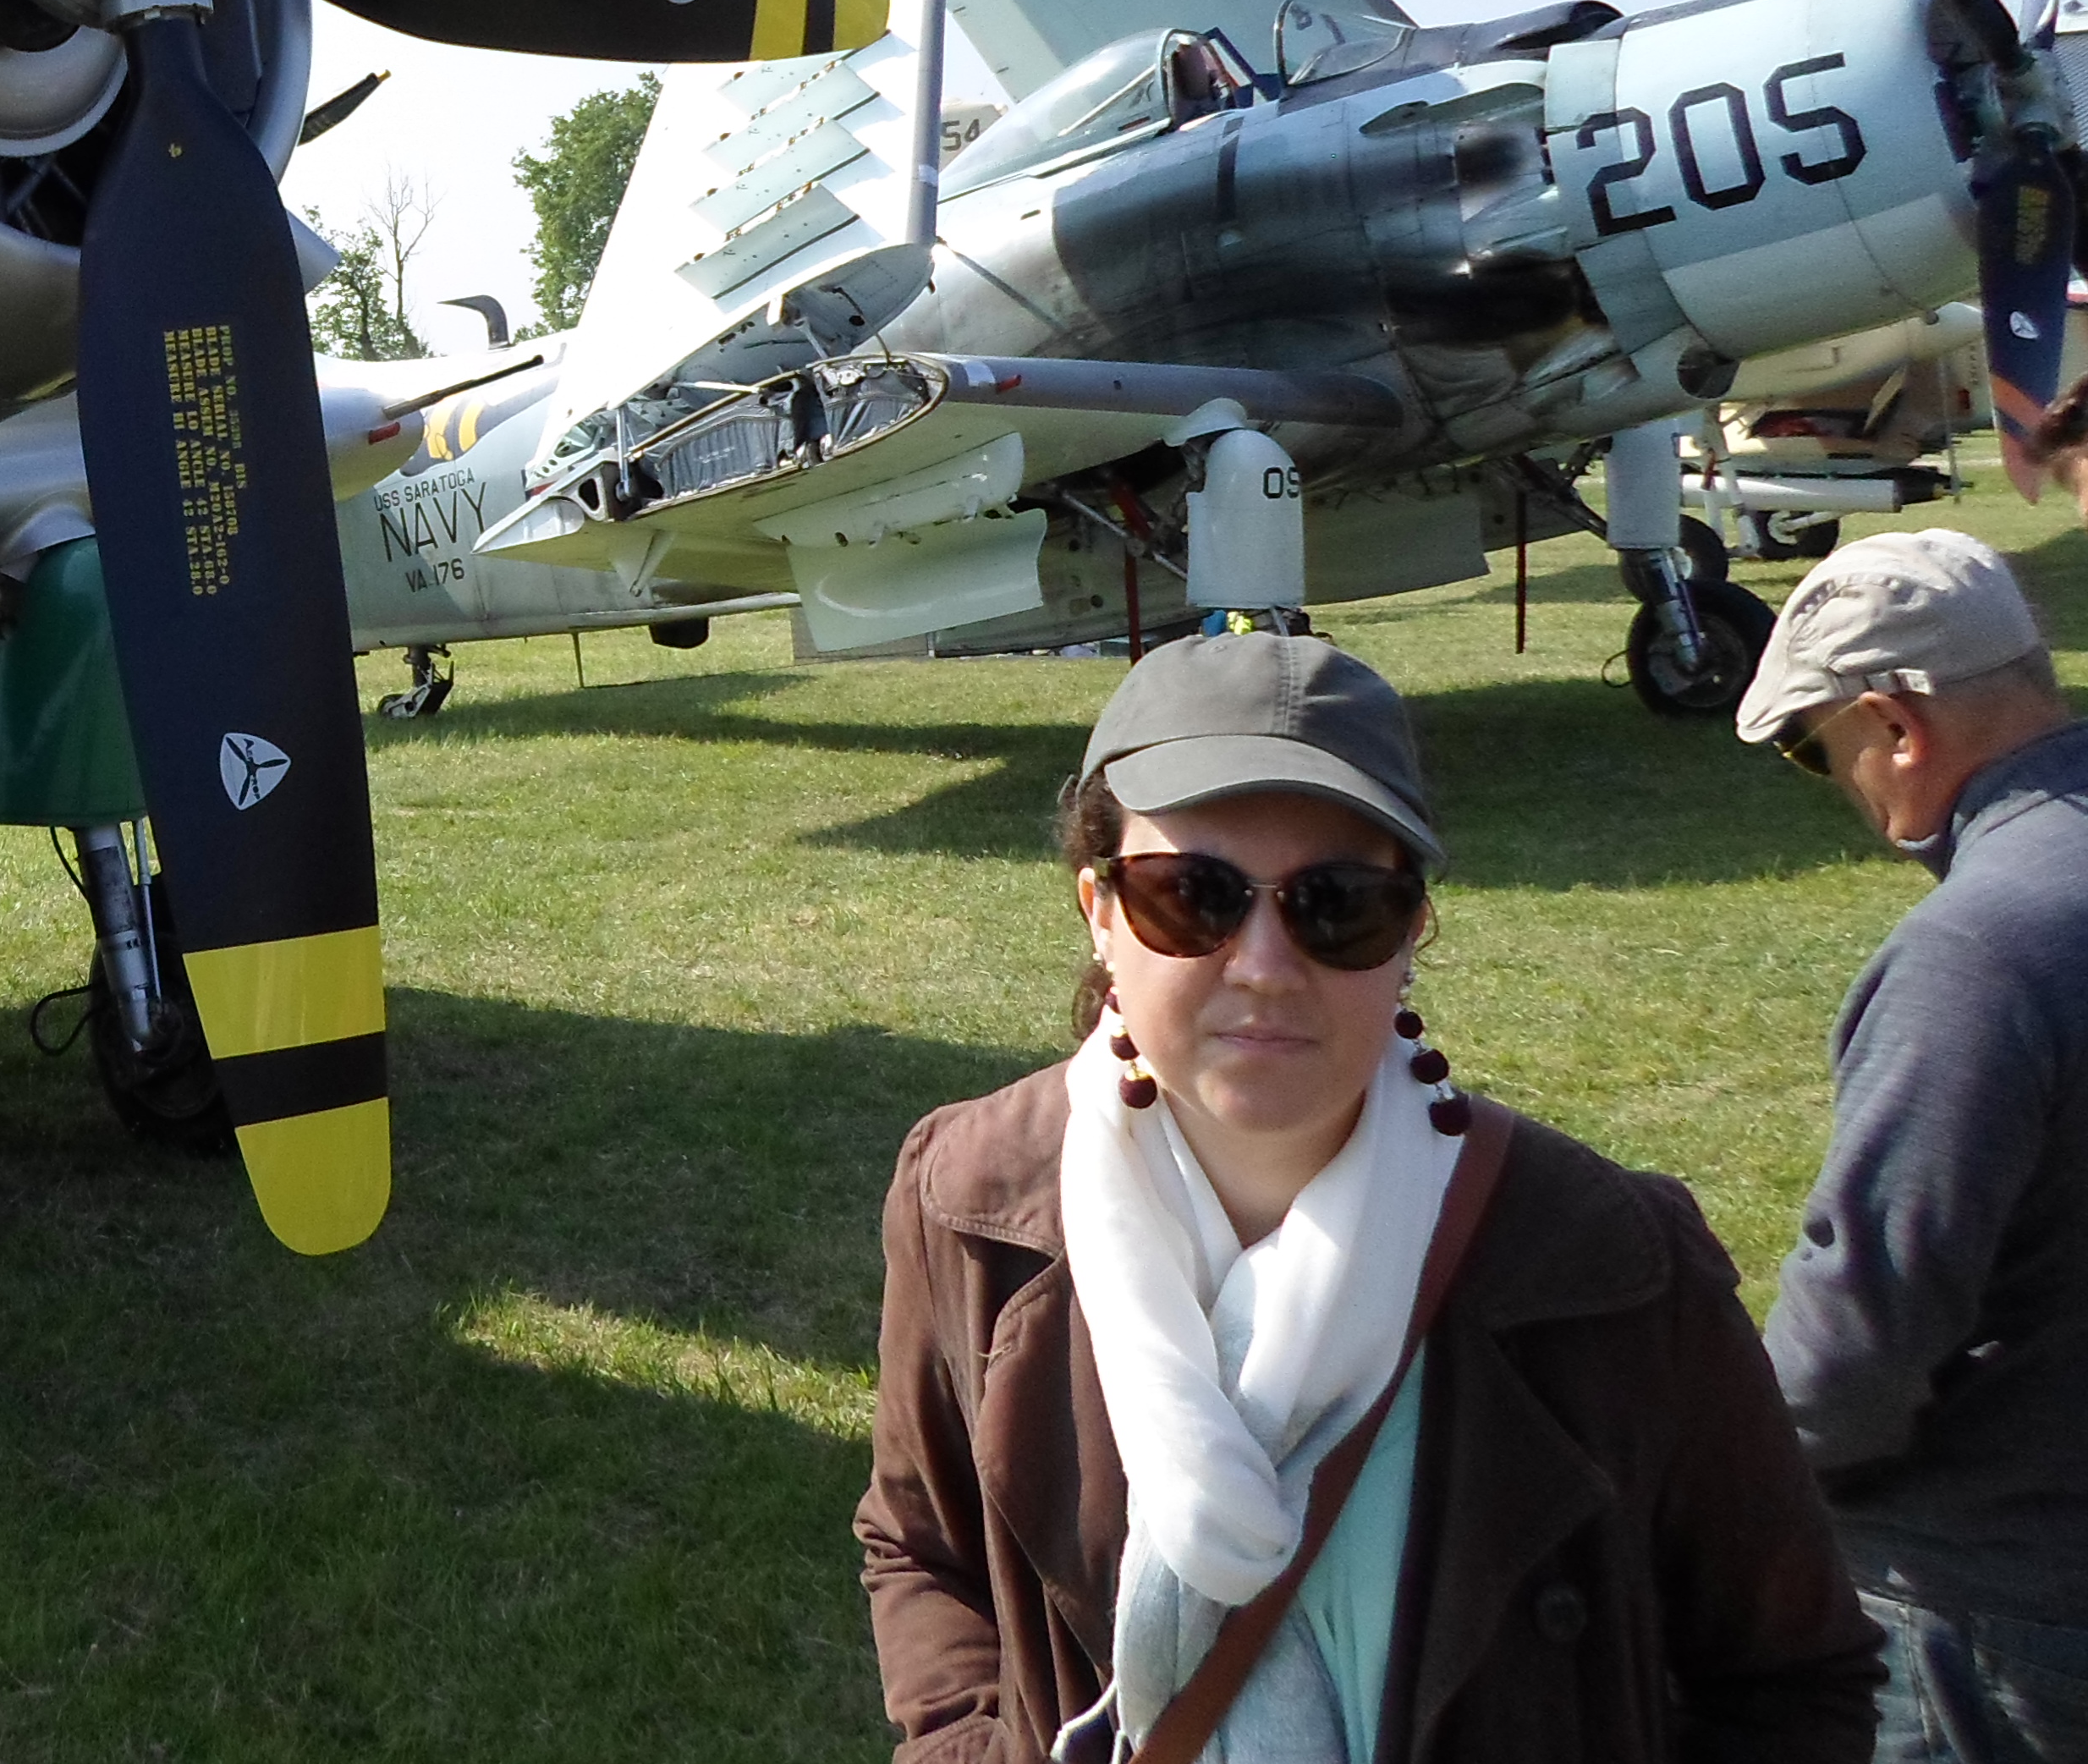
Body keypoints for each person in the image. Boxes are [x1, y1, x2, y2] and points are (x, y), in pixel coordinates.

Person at [863, 630, 1879, 1761]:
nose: (1263, 965)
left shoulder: (1610, 1262)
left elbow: (1792, 1680)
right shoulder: (969, 1202)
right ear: (1100, 910)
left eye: (1336, 903)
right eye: (1191, 896)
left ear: (1411, 933)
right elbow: (922, 1549)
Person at [1736, 530, 2088, 1761]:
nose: (1835, 782)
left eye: (1812, 746)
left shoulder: (1976, 954)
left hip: (1996, 1612)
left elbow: (1863, 1330)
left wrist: (1726, 1481)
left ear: (1895, 724)